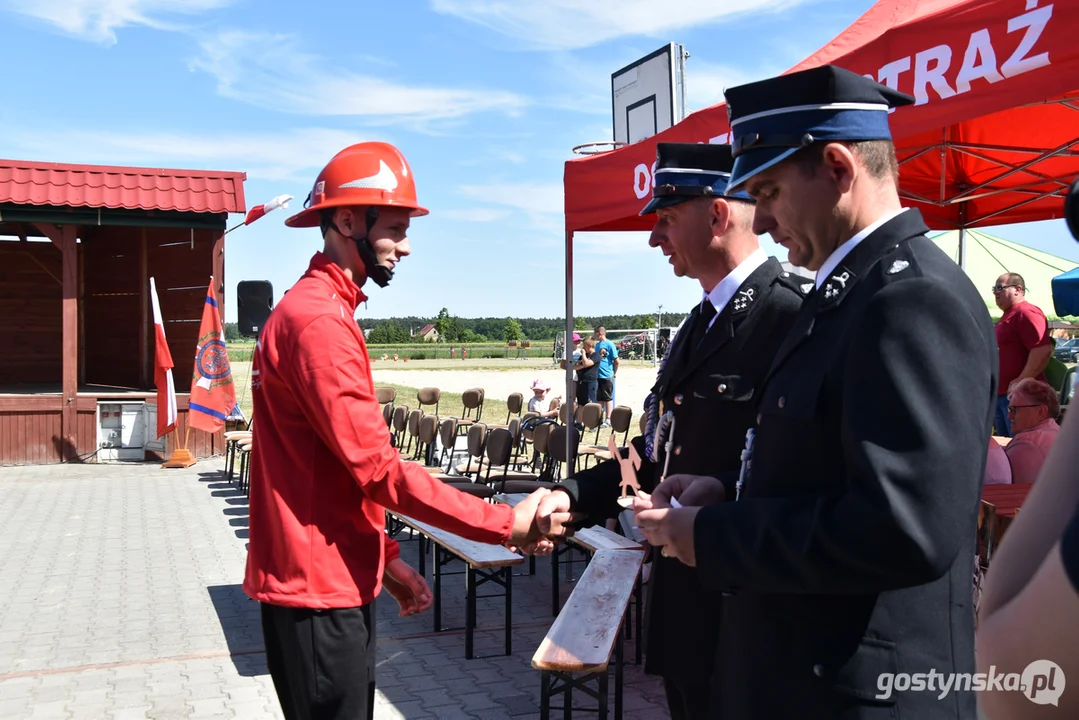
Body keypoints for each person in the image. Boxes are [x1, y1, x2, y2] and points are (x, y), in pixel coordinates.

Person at [633, 66, 998, 719]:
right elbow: (821, 470)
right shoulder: (847, 295)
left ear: (835, 167)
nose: (763, 220)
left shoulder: (908, 298)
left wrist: (715, 536)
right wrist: (725, 487)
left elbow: (904, 528)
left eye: (769, 191)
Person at [243, 142, 551, 720]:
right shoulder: (319, 323)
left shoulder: (315, 310)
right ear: (346, 219)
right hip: (318, 591)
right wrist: (503, 523)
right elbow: (379, 470)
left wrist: (383, 558)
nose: (406, 246)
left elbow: (331, 468)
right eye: (396, 227)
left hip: (324, 579)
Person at [538, 142, 807, 720]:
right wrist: (574, 496)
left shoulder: (789, 318)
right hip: (686, 605)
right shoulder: (699, 323)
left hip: (744, 612)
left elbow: (801, 476)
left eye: (666, 219)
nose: (654, 239)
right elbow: (657, 451)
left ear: (716, 215)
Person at [993, 272, 1052, 436]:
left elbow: (1042, 349)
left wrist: (1022, 379)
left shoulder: (1026, 312)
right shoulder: (1007, 316)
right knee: (1009, 450)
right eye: (994, 289)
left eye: (1000, 287)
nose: (996, 292)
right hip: (1004, 396)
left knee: (1024, 448)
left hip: (1022, 398)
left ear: (1018, 289)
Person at [1004, 378, 1061, 484]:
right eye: (1009, 409)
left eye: (1014, 409)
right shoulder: (1059, 434)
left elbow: (1012, 493)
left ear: (1041, 411)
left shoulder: (1026, 444)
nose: (1009, 416)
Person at [592, 326, 620, 424]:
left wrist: (614, 373)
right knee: (599, 398)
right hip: (597, 375)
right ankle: (600, 418)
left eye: (595, 333)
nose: (594, 335)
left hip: (607, 375)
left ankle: (608, 419)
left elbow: (616, 361)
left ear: (600, 333)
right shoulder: (597, 345)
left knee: (607, 397)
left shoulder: (610, 344)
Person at [573, 337, 600, 406]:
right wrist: (582, 365)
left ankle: (592, 417)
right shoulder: (583, 356)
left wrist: (584, 354)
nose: (583, 348)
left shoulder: (596, 356)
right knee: (581, 404)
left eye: (584, 346)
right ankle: (580, 417)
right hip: (581, 382)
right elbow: (575, 366)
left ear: (590, 346)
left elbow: (586, 363)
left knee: (590, 404)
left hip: (590, 382)